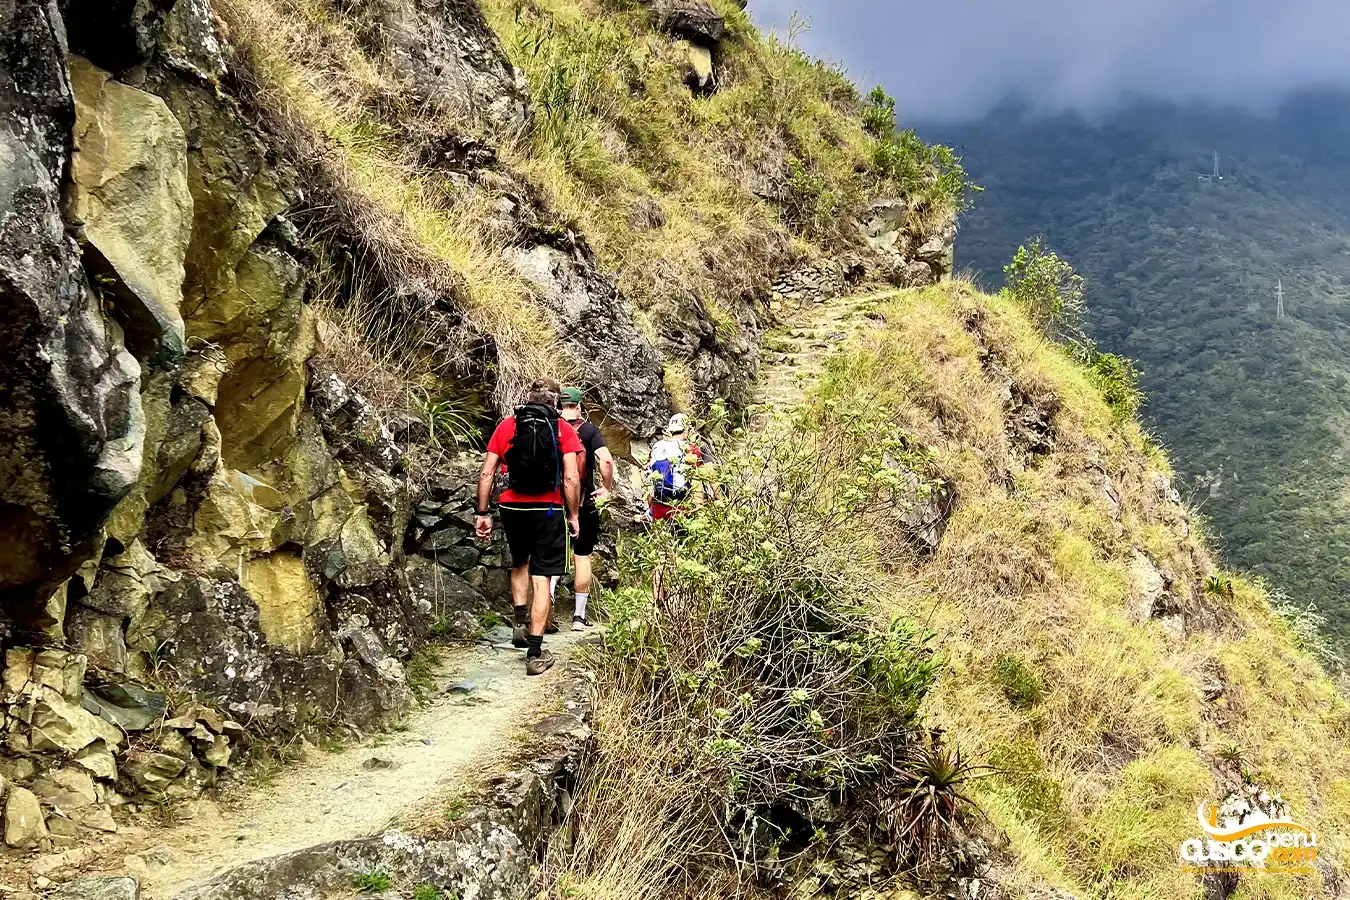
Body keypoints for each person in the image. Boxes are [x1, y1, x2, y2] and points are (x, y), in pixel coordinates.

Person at [475, 378, 582, 676]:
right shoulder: (562, 430)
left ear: (529, 398)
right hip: (547, 508)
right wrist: (573, 515)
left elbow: (487, 473)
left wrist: (482, 512)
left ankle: (519, 621)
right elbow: (571, 479)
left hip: (511, 505)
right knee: (543, 576)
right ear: (555, 403)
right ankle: (535, 654)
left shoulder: (508, 425)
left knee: (519, 560)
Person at [559, 386, 614, 631]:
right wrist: (606, 487)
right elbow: (606, 460)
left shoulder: (553, 428)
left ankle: (544, 618)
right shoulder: (590, 431)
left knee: (548, 559)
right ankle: (579, 617)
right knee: (582, 557)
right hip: (583, 503)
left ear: (560, 406)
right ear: (579, 406)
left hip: (553, 503)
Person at [648, 413, 703, 523]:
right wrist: (699, 511)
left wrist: (651, 511)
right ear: (686, 430)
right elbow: (697, 483)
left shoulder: (656, 447)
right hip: (681, 510)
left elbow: (649, 482)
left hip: (658, 508)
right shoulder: (690, 449)